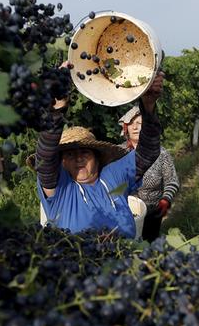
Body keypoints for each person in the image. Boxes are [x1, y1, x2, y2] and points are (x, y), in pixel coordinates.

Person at [35, 71, 165, 238]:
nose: (78, 158)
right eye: (70, 154)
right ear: (61, 163)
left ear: (97, 157)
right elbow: (45, 159)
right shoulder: (61, 189)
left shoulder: (113, 176)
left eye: (85, 152)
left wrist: (148, 106)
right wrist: (55, 114)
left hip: (123, 261)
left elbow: (148, 151)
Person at [118, 105, 180, 241]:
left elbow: (172, 181)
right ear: (126, 128)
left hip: (153, 212)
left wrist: (165, 200)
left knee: (148, 248)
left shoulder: (161, 153)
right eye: (131, 124)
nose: (135, 127)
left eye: (139, 123)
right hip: (123, 212)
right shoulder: (116, 153)